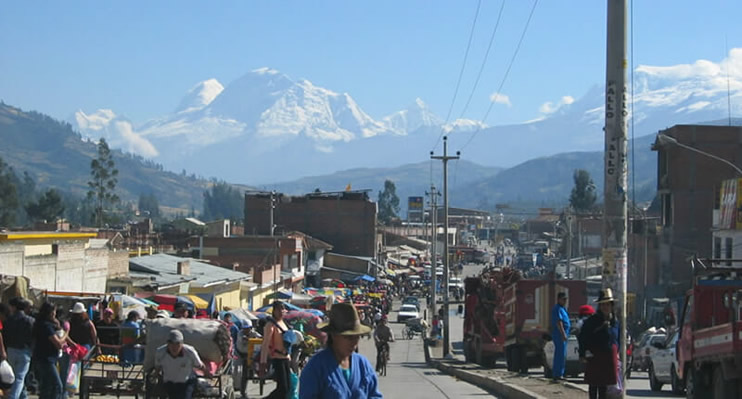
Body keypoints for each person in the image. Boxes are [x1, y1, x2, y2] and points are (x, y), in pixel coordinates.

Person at [299, 302, 382, 399]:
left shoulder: (363, 365)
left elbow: (374, 395)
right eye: (349, 337)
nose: (354, 342)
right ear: (334, 335)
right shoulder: (316, 367)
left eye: (357, 337)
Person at [578, 289, 619, 399]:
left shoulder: (615, 321)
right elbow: (583, 337)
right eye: (603, 305)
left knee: (604, 386)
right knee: (593, 385)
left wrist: (617, 352)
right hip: (595, 356)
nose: (605, 307)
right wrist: (582, 354)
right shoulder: (592, 321)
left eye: (608, 304)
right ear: (599, 306)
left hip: (608, 358)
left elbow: (617, 338)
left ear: (612, 306)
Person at [154, 330, 209, 399]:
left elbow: (200, 365)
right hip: (169, 383)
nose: (174, 347)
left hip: (186, 383)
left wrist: (207, 372)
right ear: (167, 343)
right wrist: (155, 375)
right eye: (171, 343)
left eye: (177, 344)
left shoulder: (190, 352)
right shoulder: (160, 352)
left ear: (182, 344)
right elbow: (158, 367)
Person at [32, 302, 70, 399]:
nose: (54, 314)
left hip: (41, 358)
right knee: (57, 386)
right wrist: (66, 333)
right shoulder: (46, 326)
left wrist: (57, 325)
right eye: (53, 311)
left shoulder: (39, 323)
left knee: (46, 387)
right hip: (46, 359)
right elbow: (58, 344)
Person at [3, 298, 35, 399]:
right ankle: (14, 397)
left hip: (11, 350)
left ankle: (22, 396)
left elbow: (5, 336)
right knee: (20, 377)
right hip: (25, 351)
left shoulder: (9, 320)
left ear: (14, 307)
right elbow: (34, 337)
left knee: (13, 377)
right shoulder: (30, 320)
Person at [260, 302, 292, 399]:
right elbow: (265, 344)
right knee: (283, 389)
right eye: (278, 310)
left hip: (286, 358)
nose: (281, 312)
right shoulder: (270, 325)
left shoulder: (284, 323)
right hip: (277, 359)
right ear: (274, 311)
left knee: (288, 388)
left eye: (282, 310)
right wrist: (263, 362)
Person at [551, 292, 571, 381]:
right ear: (559, 299)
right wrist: (563, 334)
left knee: (562, 354)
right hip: (559, 334)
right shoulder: (557, 309)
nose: (565, 301)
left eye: (566, 299)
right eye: (563, 299)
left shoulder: (563, 309)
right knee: (560, 353)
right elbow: (559, 322)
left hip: (564, 333)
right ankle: (557, 374)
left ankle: (560, 373)